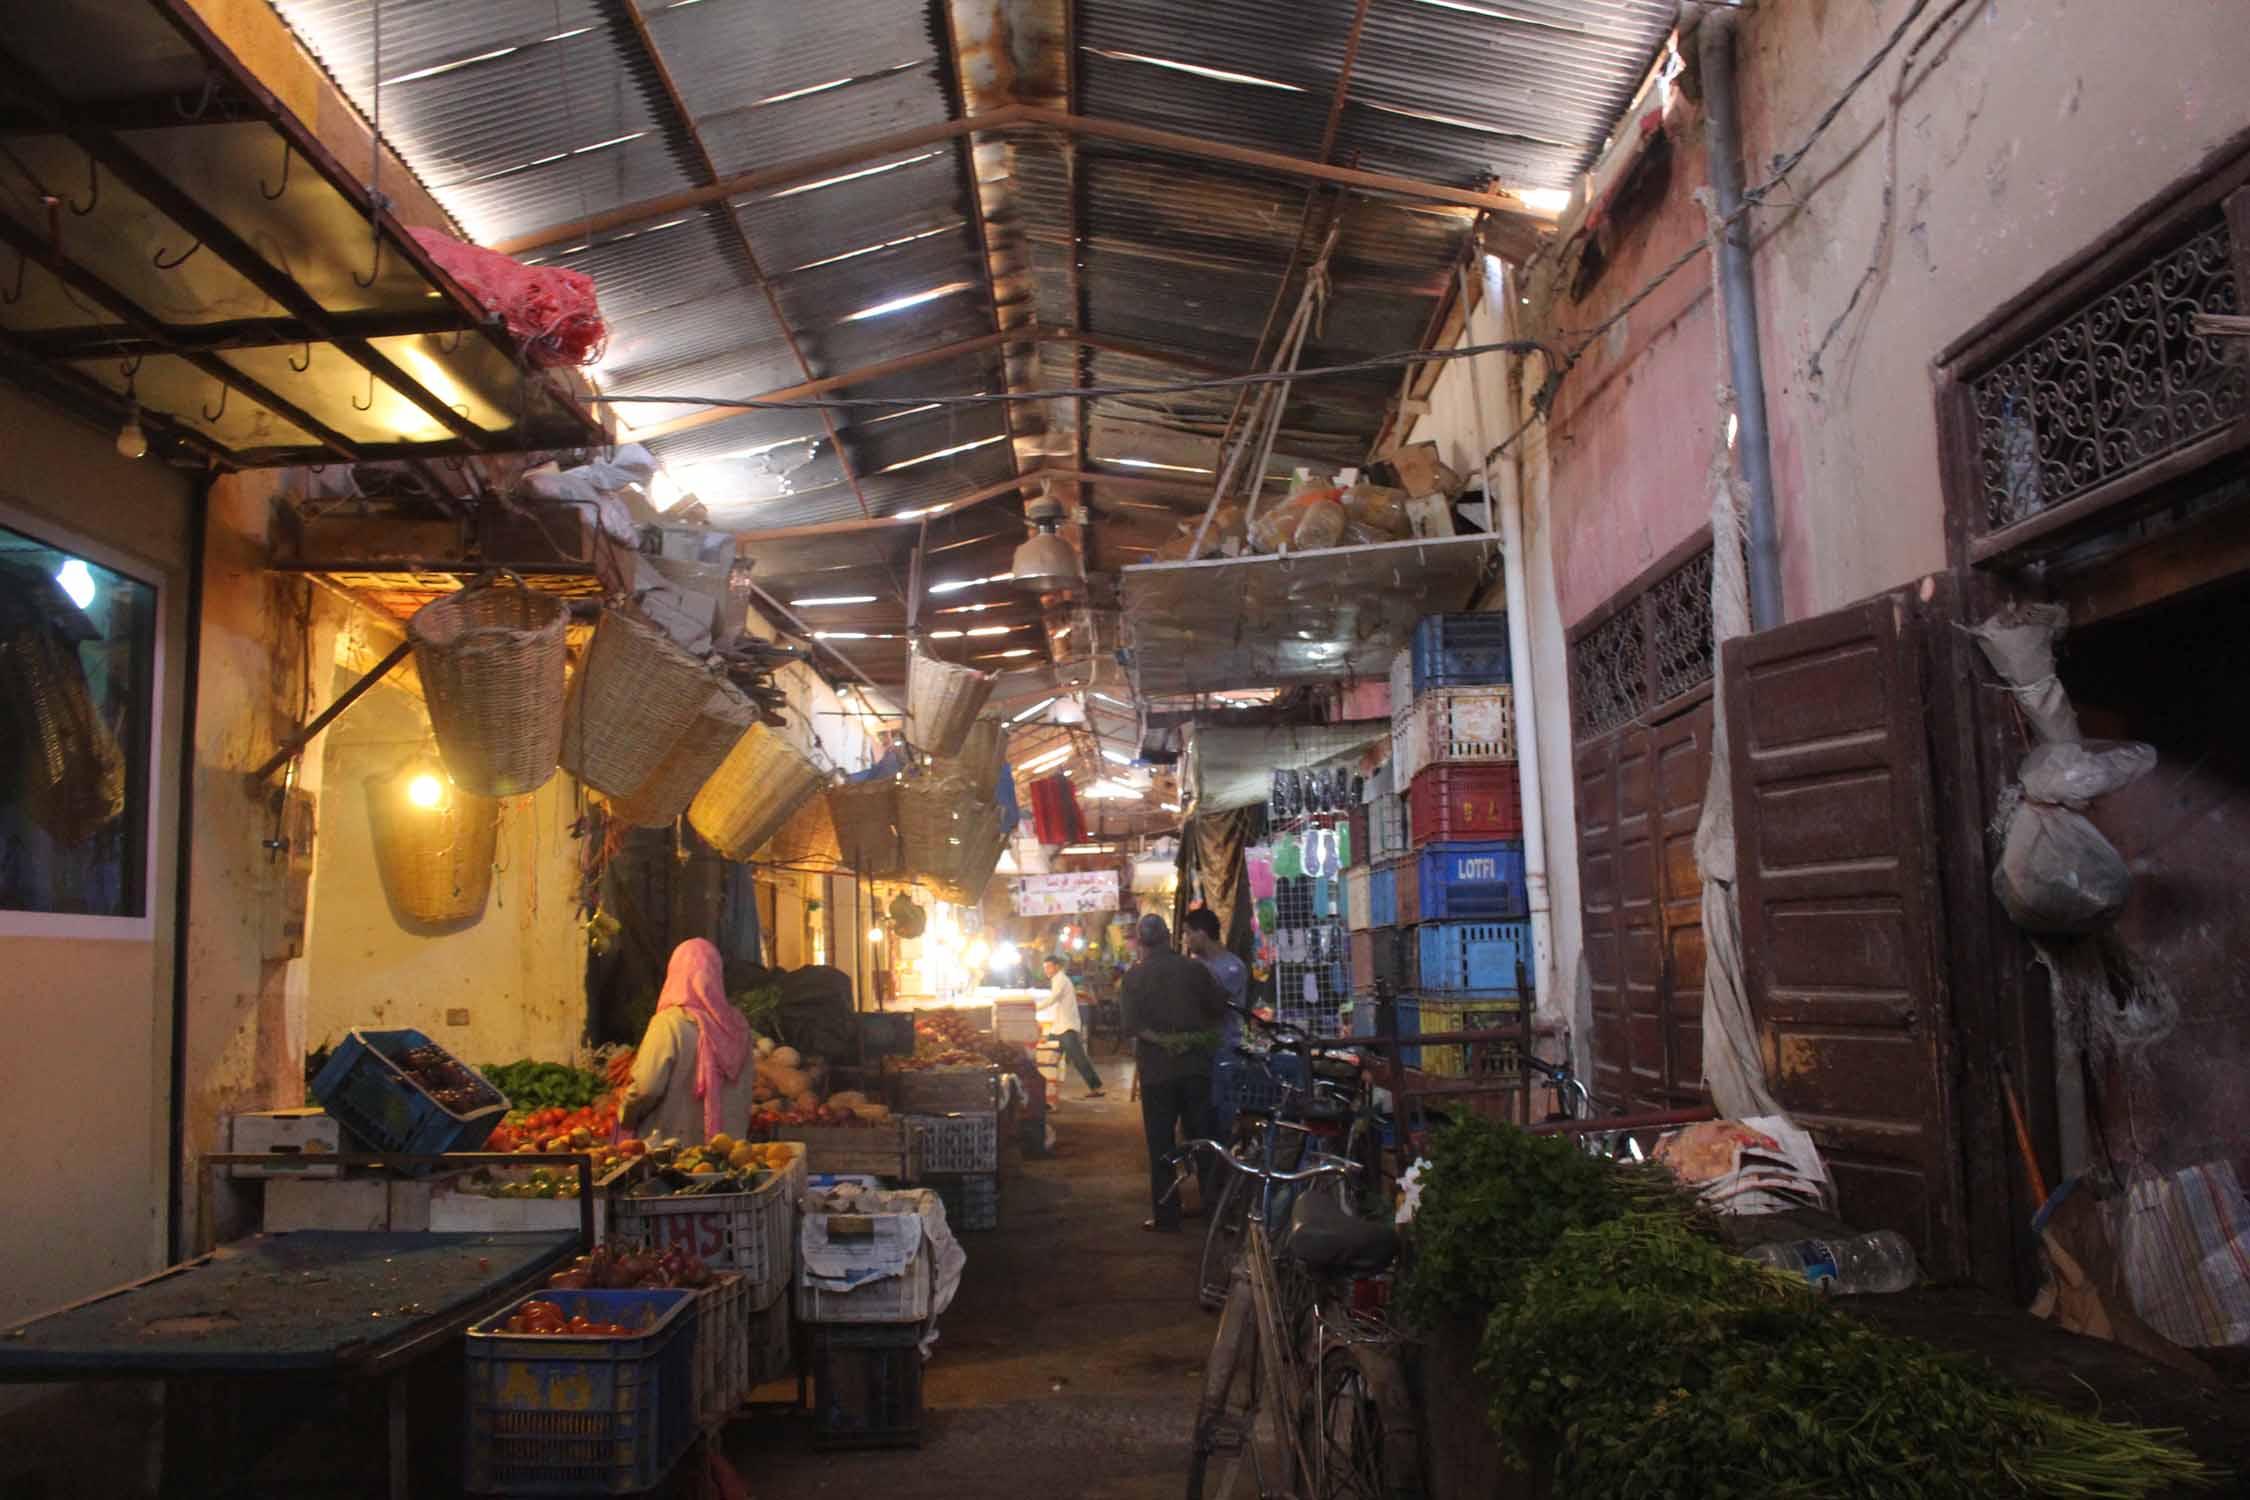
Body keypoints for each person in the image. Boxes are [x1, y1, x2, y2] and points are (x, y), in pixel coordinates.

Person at [1120, 913, 1227, 1232]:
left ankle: (1167, 1216)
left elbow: (1132, 1027)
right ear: (1169, 936)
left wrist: (1164, 1040)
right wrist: (1188, 1037)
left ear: (1140, 942)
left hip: (1156, 1072)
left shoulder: (1133, 978)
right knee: (1204, 1140)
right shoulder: (1195, 969)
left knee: (1161, 1145)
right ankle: (1214, 1212)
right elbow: (1218, 1008)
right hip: (1195, 1068)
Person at [618, 938, 756, 1146]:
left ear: (675, 973)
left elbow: (647, 1088)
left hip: (671, 1154)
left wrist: (626, 1113)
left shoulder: (669, 1023)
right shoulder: (736, 1026)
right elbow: (745, 1091)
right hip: (727, 1154)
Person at [1182, 907, 1249, 1143]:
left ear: (1202, 933)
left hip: (1224, 1049)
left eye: (1188, 933)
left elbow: (1213, 1004)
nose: (1186, 940)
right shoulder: (1192, 965)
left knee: (1222, 1114)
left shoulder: (1233, 967)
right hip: (1198, 1051)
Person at [1039, 954, 1104, 1097]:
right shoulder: (1057, 979)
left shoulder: (1060, 979)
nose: (1046, 970)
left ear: (1056, 967)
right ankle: (1047, 1091)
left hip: (1066, 1027)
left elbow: (1053, 998)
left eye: (1049, 967)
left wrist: (1035, 1007)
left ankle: (1096, 1087)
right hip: (1058, 1027)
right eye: (1045, 967)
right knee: (1049, 1059)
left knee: (1077, 1059)